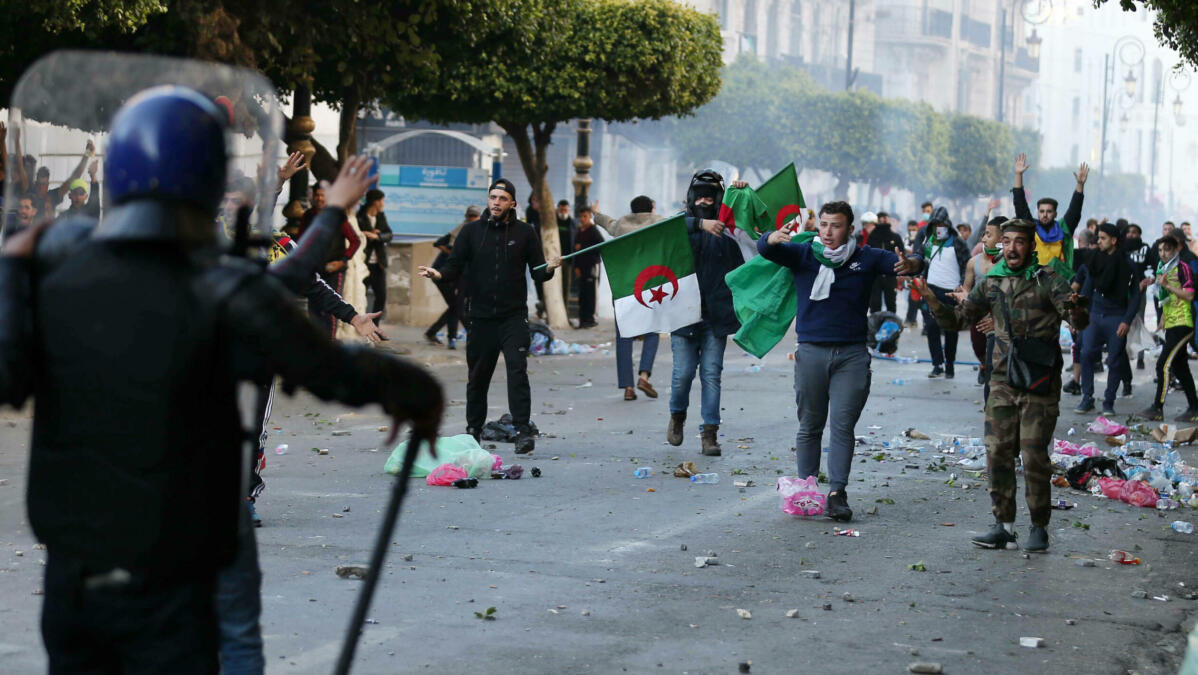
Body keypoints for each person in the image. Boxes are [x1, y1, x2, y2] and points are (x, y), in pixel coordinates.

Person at [0, 88, 442, 674]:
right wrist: (418, 392)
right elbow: (334, 368)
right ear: (208, 181)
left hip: (78, 563)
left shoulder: (62, 275)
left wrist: (12, 271)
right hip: (182, 557)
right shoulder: (225, 286)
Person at [919, 219, 1087, 552]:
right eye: (1006, 241)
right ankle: (1003, 525)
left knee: (1034, 456)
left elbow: (1078, 322)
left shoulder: (1050, 281)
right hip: (1002, 379)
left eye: (1019, 242)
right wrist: (932, 300)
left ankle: (1039, 526)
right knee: (997, 453)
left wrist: (1075, 305)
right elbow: (958, 320)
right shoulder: (992, 282)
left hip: (1039, 382)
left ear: (1031, 247)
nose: (1011, 248)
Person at [759, 201, 919, 521]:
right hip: (811, 353)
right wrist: (771, 238)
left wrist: (912, 263)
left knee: (843, 426)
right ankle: (807, 489)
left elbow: (909, 263)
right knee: (810, 426)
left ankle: (837, 493)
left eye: (836, 226)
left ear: (850, 230)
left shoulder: (866, 257)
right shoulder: (804, 254)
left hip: (852, 355)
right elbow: (767, 249)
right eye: (823, 225)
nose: (828, 232)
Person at [417, 179, 561, 454]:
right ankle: (473, 430)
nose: (496, 202)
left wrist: (551, 267)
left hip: (513, 317)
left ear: (512, 204)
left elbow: (538, 272)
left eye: (502, 198)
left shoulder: (525, 232)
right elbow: (454, 265)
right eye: (492, 197)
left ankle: (522, 432)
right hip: (481, 317)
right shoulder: (471, 232)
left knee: (517, 370)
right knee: (478, 376)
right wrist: (439, 274)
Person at [666, 169, 746, 456]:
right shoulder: (679, 228)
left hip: (715, 318)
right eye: (699, 195)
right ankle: (677, 416)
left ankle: (709, 434)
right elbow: (660, 234)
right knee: (683, 375)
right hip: (682, 315)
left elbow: (744, 270)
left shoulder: (727, 239)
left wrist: (741, 192)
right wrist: (700, 225)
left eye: (710, 197)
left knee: (711, 374)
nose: (704, 199)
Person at [596, 195, 665, 400]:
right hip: (650, 286)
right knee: (652, 332)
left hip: (625, 288)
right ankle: (644, 375)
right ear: (651, 208)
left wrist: (595, 213)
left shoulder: (621, 225)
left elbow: (606, 223)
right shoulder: (660, 222)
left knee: (624, 336)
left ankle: (628, 387)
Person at [1074, 222, 1141, 415]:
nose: (1099, 242)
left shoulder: (1127, 263)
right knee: (1086, 353)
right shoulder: (1095, 259)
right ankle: (1087, 397)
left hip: (1116, 316)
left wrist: (1127, 320)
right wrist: (1079, 314)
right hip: (1094, 315)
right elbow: (1087, 289)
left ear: (1114, 240)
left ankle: (1108, 402)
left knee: (1114, 360)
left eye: (1103, 238)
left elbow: (1135, 294)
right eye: (1098, 238)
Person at [1137, 234, 1198, 422]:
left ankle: (1157, 408)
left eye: (1167, 250)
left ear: (1176, 250)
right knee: (1180, 367)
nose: (1163, 254)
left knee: (1163, 364)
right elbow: (1166, 299)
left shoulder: (1183, 268)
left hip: (1183, 323)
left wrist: (1168, 285)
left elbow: (1189, 295)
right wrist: (1163, 317)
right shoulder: (1162, 269)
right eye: (1160, 250)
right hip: (1172, 324)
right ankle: (1194, 409)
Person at [913, 206, 970, 378]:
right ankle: (937, 364)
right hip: (931, 290)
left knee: (951, 330)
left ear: (948, 225)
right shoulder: (928, 242)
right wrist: (919, 278)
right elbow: (924, 262)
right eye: (936, 224)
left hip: (951, 292)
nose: (939, 228)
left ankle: (950, 364)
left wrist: (962, 285)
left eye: (942, 224)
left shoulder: (957, 242)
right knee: (931, 328)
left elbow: (966, 266)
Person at [298, 184, 361, 337]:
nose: (319, 198)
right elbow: (301, 239)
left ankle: (329, 344)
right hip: (313, 269)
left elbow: (355, 241)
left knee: (331, 309)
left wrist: (343, 260)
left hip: (334, 270)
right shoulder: (308, 216)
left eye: (323, 195)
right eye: (317, 195)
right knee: (313, 309)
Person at [1012, 154, 1087, 280]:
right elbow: (1020, 204)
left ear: (1055, 214)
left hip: (1058, 282)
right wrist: (1018, 175)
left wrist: (1080, 185)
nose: (1044, 215)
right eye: (1041, 211)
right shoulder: (1031, 227)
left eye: (1049, 211)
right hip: (1034, 281)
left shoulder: (1063, 228)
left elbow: (1075, 210)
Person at [957, 217, 1005, 390]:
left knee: (996, 358)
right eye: (984, 234)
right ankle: (984, 365)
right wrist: (962, 297)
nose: (983, 238)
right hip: (977, 315)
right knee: (979, 348)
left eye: (988, 235)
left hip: (1000, 318)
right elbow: (966, 288)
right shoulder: (973, 262)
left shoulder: (1009, 263)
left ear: (1001, 239)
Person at [425, 205, 480, 349]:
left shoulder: (477, 232)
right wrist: (453, 254)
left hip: (459, 274)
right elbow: (438, 243)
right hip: (443, 274)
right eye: (470, 216)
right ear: (467, 217)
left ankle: (437, 333)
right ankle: (455, 338)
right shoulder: (458, 232)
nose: (472, 219)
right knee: (457, 307)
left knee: (457, 306)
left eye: (475, 216)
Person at [356, 188, 393, 326]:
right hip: (364, 263)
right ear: (376, 202)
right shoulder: (360, 216)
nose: (383, 203)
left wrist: (377, 236)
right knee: (360, 295)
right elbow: (356, 234)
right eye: (382, 200)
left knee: (381, 296)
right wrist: (366, 234)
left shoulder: (381, 216)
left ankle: (374, 325)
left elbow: (389, 234)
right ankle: (358, 323)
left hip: (378, 264)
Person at [862, 210, 905, 314]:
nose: (882, 221)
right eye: (880, 220)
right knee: (875, 304)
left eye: (884, 219)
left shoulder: (895, 237)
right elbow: (867, 254)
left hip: (891, 274)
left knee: (891, 302)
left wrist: (902, 273)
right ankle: (875, 326)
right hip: (875, 275)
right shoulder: (872, 237)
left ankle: (892, 326)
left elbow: (902, 255)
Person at [573, 206, 603, 329]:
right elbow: (575, 249)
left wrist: (583, 247)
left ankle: (591, 319)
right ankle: (583, 319)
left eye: (585, 216)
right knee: (582, 295)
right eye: (581, 216)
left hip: (592, 267)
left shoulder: (593, 230)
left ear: (590, 217)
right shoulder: (580, 231)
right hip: (581, 267)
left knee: (591, 294)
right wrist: (576, 266)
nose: (582, 219)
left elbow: (600, 246)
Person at [555, 199, 576, 311]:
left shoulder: (572, 223)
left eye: (565, 209)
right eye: (561, 209)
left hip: (567, 260)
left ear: (569, 210)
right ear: (558, 209)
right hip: (554, 259)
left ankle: (564, 310)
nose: (563, 211)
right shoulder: (554, 222)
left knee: (565, 286)